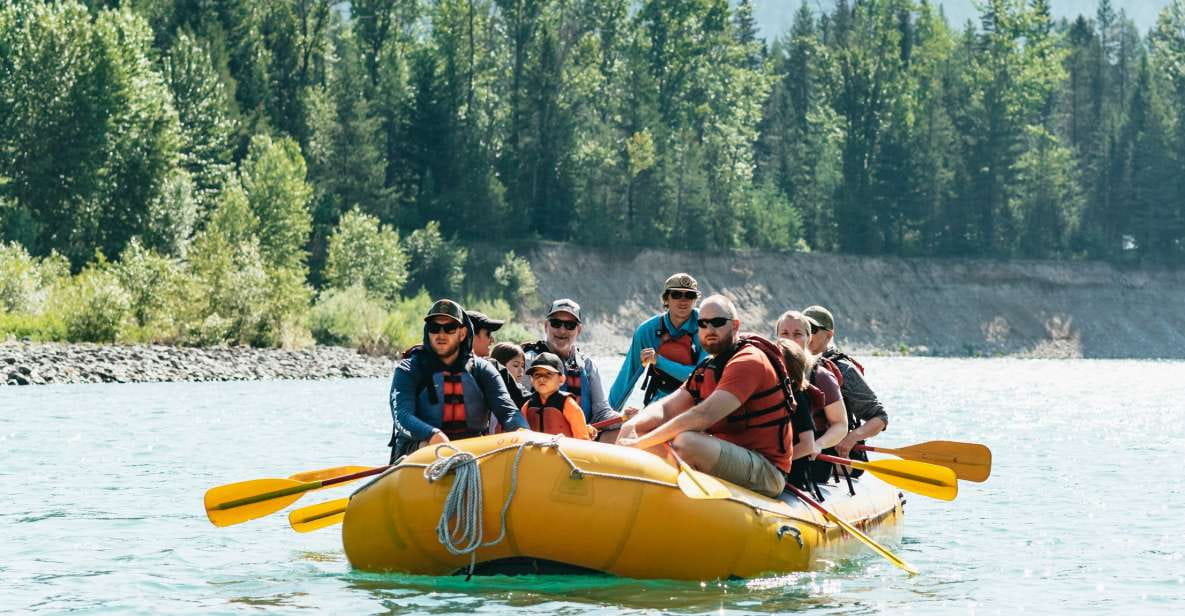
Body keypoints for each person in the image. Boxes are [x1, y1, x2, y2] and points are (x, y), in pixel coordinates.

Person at [617, 295, 797, 498]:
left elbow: (704, 415)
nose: (709, 329)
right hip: (729, 455)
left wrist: (638, 444)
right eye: (703, 323)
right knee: (639, 430)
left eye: (718, 322)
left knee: (686, 443)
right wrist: (632, 427)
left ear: (735, 325)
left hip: (767, 470)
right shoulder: (707, 368)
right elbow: (666, 408)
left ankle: (665, 501)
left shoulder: (749, 361)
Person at [387, 299, 527, 463]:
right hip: (420, 449)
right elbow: (402, 416)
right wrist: (432, 435)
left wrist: (521, 431)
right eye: (434, 328)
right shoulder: (408, 370)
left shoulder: (483, 370)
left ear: (462, 333)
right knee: (430, 447)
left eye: (449, 328)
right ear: (428, 331)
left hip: (472, 451)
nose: (441, 334)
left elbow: (508, 411)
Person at [803, 305, 889, 468]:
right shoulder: (791, 363)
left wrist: (852, 437)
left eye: (812, 329)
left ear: (828, 336)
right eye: (804, 328)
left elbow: (880, 417)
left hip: (837, 454)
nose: (806, 335)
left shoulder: (844, 370)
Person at [522, 299, 620, 439]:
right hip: (537, 443)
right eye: (556, 323)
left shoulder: (587, 365)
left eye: (570, 325)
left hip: (578, 443)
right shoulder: (528, 362)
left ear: (578, 330)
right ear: (546, 326)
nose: (562, 330)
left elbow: (601, 412)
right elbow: (515, 407)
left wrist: (623, 418)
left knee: (620, 431)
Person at [609, 273, 707, 412]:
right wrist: (609, 414)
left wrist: (658, 361)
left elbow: (701, 377)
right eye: (677, 295)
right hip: (660, 401)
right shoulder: (647, 331)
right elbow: (627, 376)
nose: (683, 301)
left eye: (690, 296)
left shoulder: (705, 326)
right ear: (666, 299)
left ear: (695, 300)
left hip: (696, 402)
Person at [521, 352, 596, 439]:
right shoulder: (527, 406)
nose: (541, 378)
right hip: (536, 450)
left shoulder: (568, 404)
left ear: (561, 379)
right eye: (537, 375)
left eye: (548, 374)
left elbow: (582, 438)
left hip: (563, 451)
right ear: (531, 380)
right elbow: (522, 433)